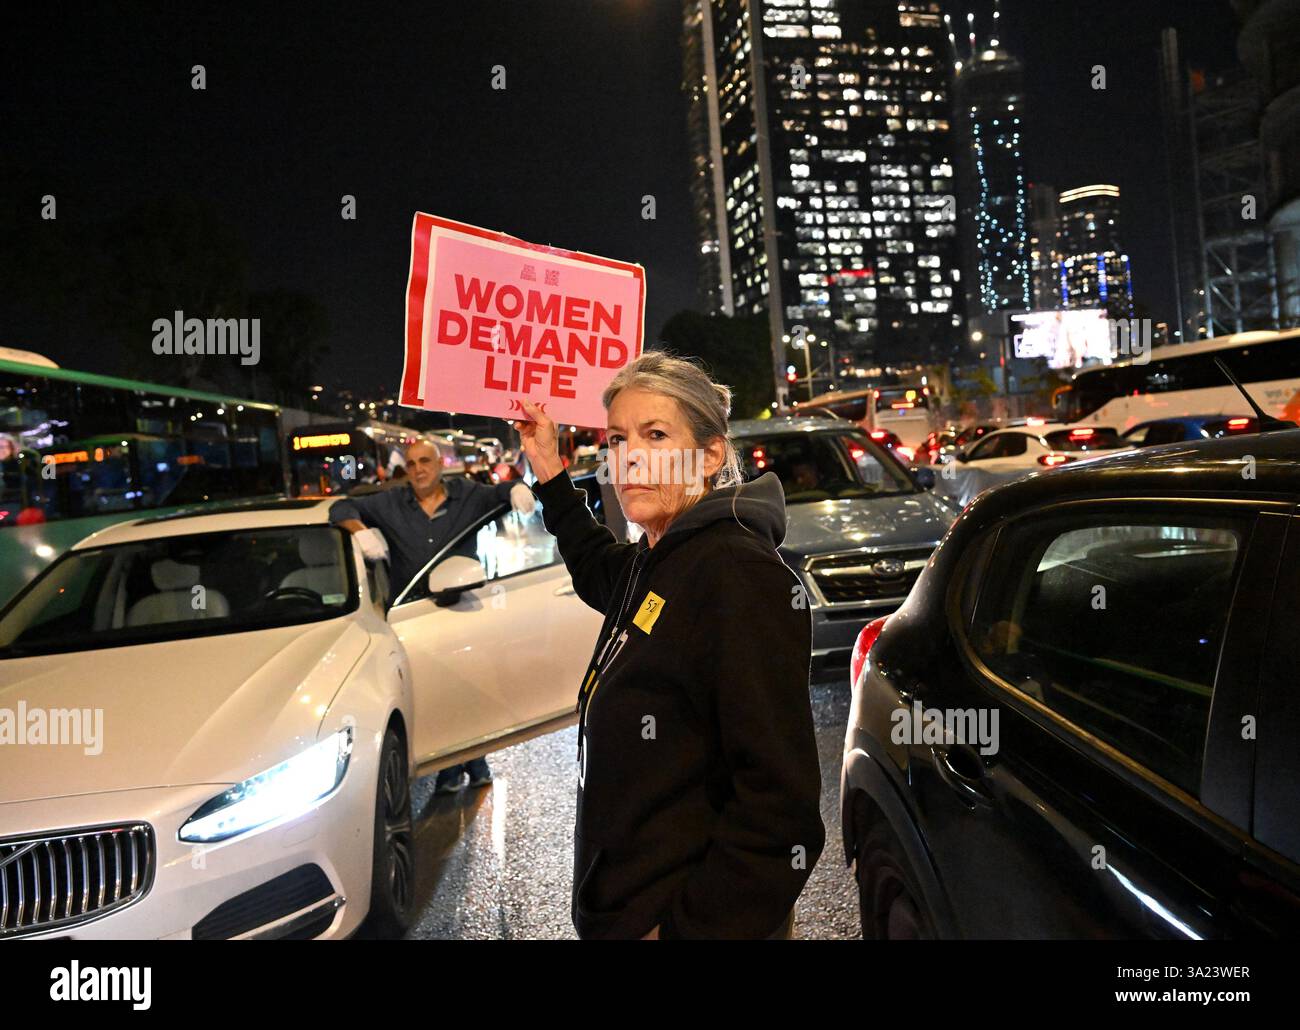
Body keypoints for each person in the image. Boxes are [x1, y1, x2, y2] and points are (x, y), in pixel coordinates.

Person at [511, 352, 824, 939]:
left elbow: (779, 809)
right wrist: (550, 470)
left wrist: (686, 931)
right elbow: (599, 567)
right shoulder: (660, 554)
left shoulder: (734, 572)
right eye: (617, 438)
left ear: (709, 456)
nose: (628, 455)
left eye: (656, 435)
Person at [330, 435, 535, 794]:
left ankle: (473, 759)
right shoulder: (392, 502)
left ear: (440, 465)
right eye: (411, 465)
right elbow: (341, 509)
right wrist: (360, 532)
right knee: (431, 693)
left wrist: (518, 492)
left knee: (473, 687)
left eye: (425, 462)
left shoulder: (468, 494)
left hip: (464, 611)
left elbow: (507, 491)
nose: (418, 470)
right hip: (415, 619)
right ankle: (451, 765)